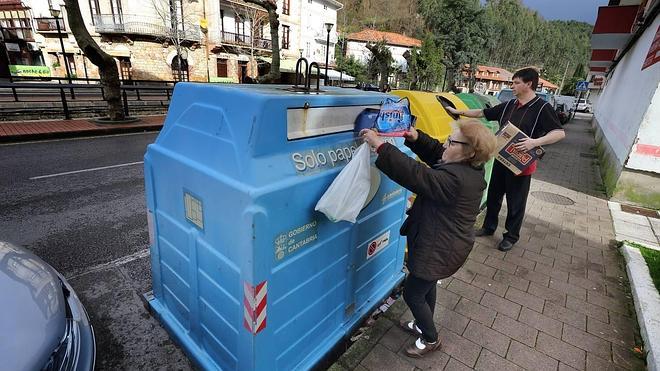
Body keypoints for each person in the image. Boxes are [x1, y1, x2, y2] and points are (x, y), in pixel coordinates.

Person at [361, 119, 497, 358]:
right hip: (442, 245)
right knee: (426, 286)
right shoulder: (468, 168)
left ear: (469, 152)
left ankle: (431, 338)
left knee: (412, 293)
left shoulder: (455, 179)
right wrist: (416, 137)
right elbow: (439, 154)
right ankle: (422, 324)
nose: (445, 144)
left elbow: (416, 174)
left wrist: (381, 146)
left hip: (439, 249)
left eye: (451, 141)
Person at [445, 67, 566, 251]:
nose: (513, 86)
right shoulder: (510, 104)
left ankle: (511, 236)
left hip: (521, 165)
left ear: (529, 84)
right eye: (513, 82)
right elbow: (482, 113)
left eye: (517, 83)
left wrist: (534, 142)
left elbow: (559, 133)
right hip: (501, 159)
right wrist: (457, 111)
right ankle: (488, 226)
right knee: (494, 195)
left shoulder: (542, 108)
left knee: (516, 202)